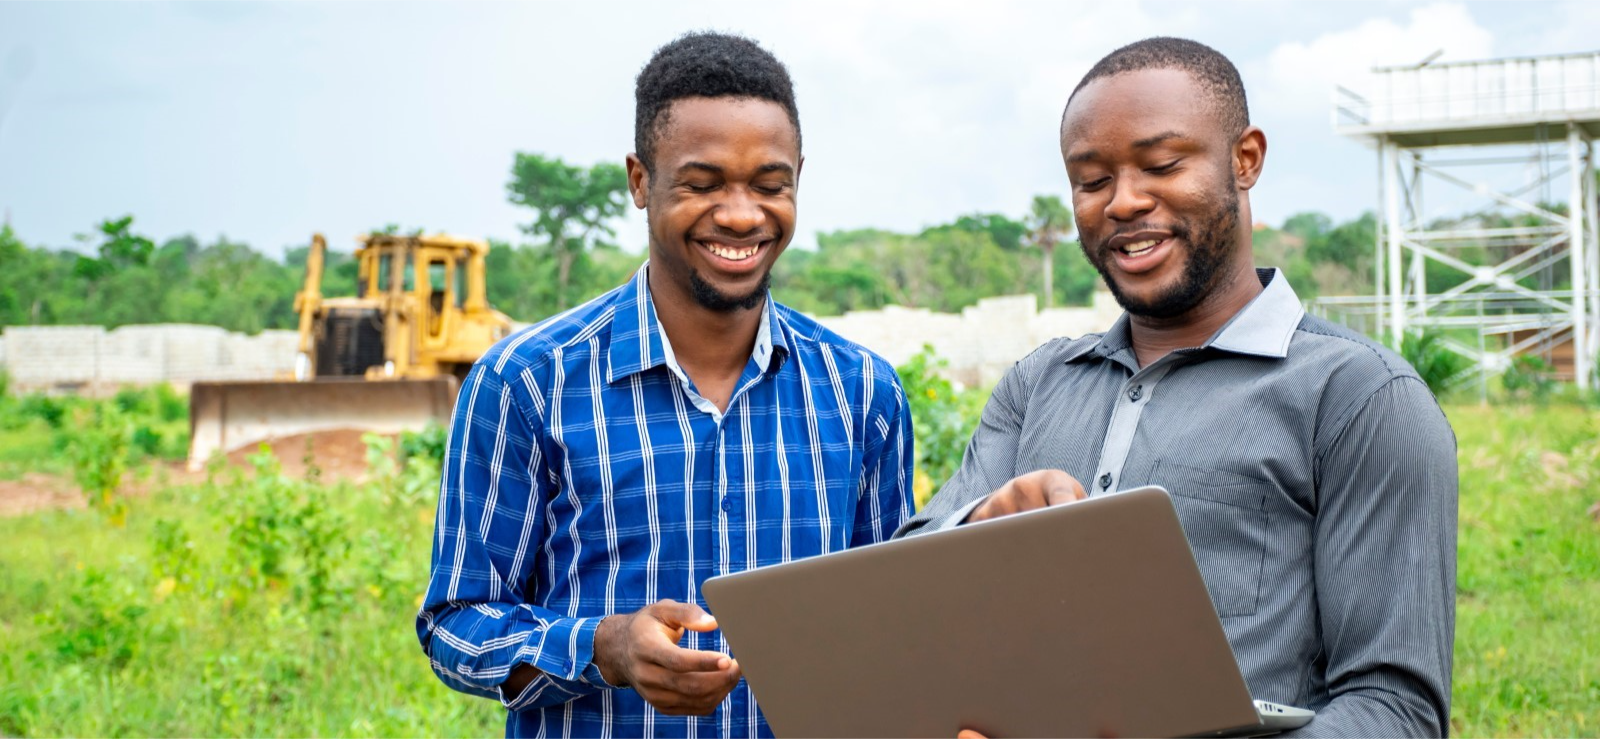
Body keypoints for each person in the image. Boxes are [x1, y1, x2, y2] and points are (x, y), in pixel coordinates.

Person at [903, 37, 1458, 739]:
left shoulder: (1361, 400)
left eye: (1162, 165)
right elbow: (907, 598)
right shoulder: (1037, 384)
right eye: (1091, 180)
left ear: (1245, 159)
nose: (1124, 202)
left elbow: (1394, 709)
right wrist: (981, 519)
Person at [416, 31, 917, 738]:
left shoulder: (862, 392)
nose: (742, 214)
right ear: (640, 180)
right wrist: (604, 647)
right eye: (702, 183)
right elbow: (455, 624)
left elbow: (893, 619)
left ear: (799, 176)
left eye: (770, 185)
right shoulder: (528, 382)